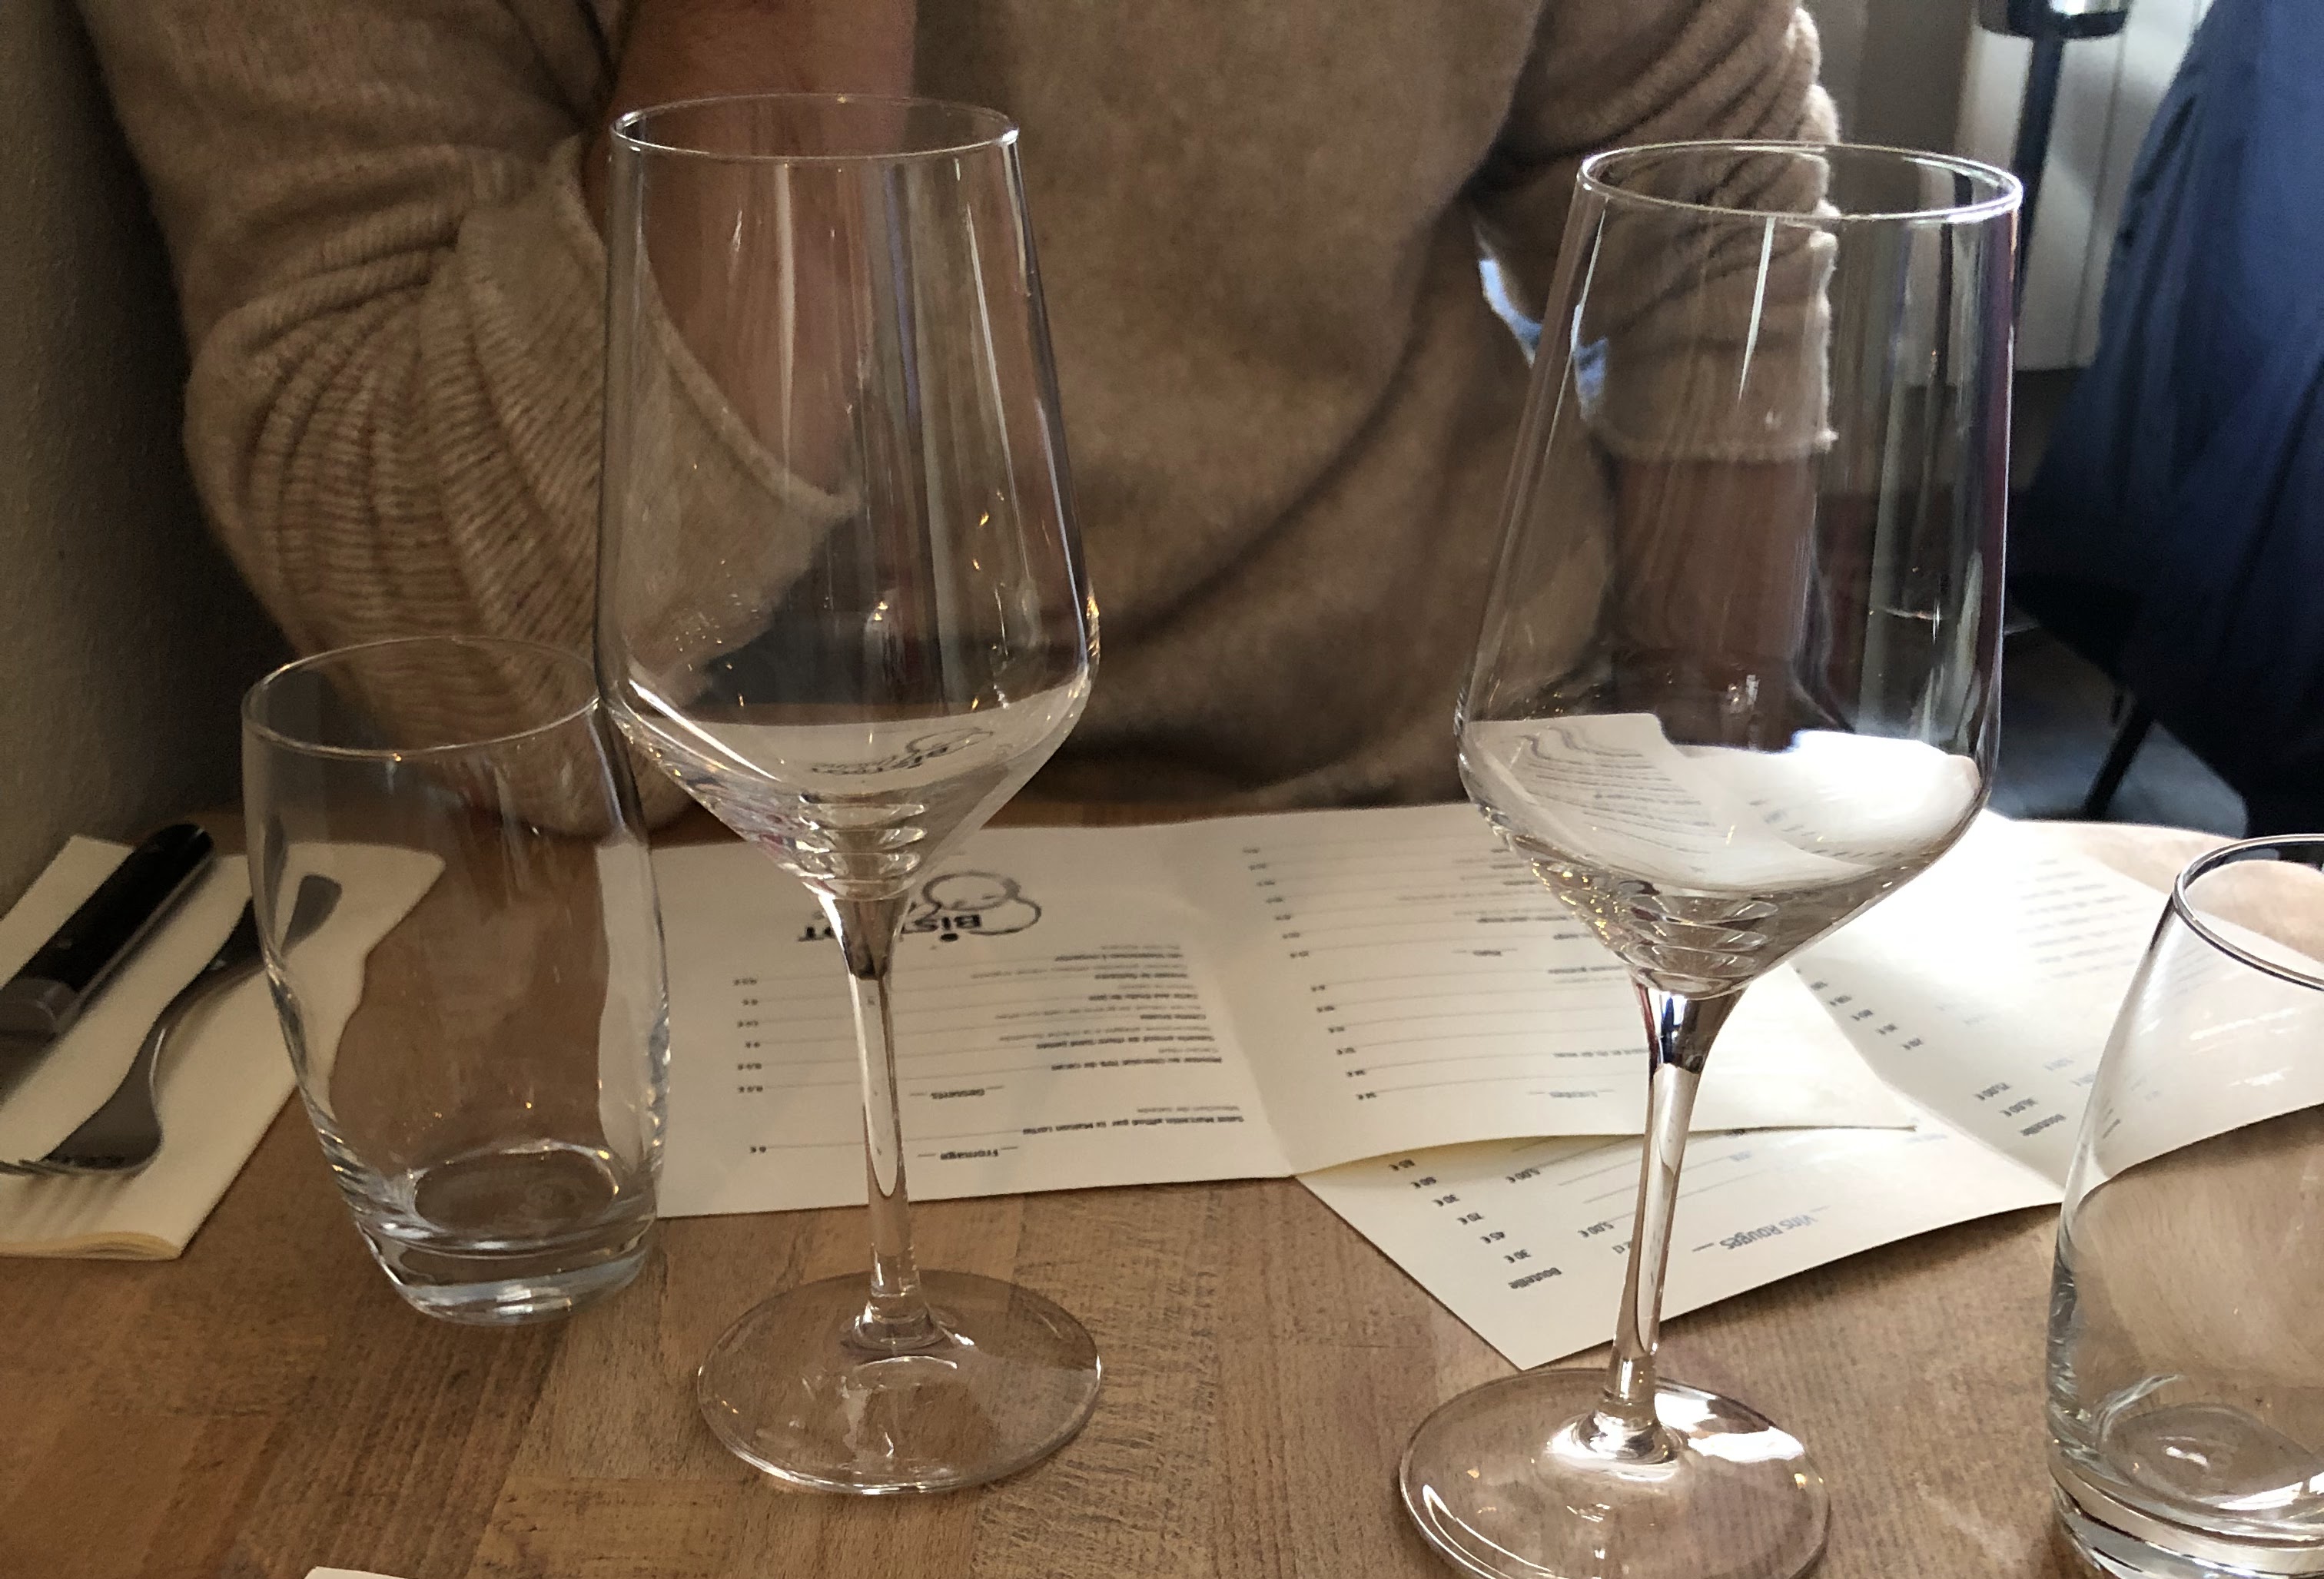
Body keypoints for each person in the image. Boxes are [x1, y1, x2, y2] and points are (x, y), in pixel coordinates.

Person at [77, 2, 1831, 811]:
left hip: (1438, 824)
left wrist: (1692, 803)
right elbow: (489, 673)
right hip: (714, 911)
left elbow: (1715, 197)